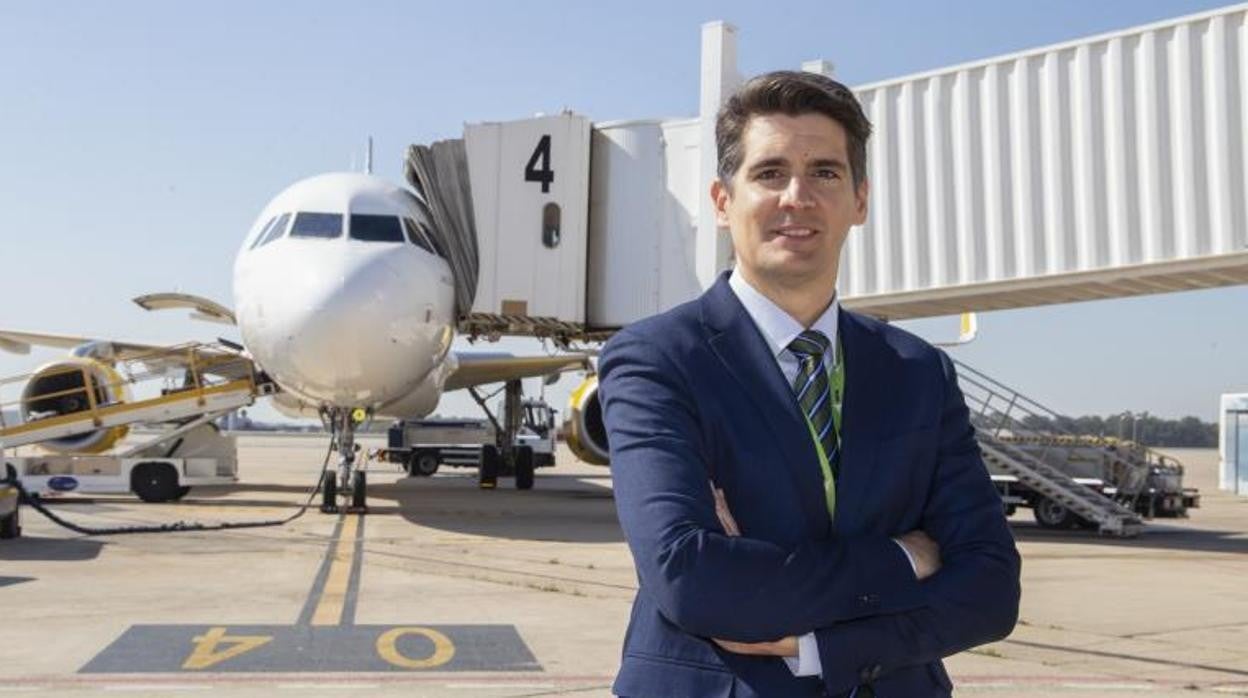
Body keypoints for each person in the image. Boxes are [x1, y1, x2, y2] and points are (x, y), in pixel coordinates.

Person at [598, 70, 1021, 698]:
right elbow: (691, 578)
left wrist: (822, 646)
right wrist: (906, 557)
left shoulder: (917, 372)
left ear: (860, 200)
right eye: (769, 173)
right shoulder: (655, 359)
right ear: (722, 202)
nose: (797, 196)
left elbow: (990, 589)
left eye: (825, 172)